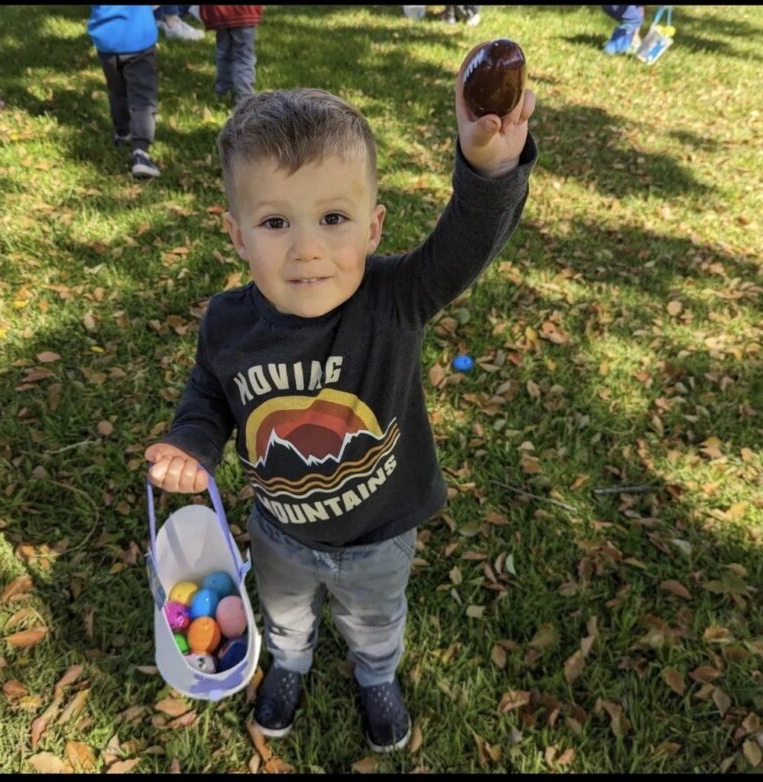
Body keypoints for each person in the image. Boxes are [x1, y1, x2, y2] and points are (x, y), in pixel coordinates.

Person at [144, 43, 537, 752]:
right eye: (275, 222)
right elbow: (209, 390)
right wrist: (191, 441)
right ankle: (289, 664)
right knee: (286, 614)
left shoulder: (395, 299)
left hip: (379, 532)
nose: (307, 249)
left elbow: (465, 246)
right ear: (236, 235)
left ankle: (376, 673)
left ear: (373, 227)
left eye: (332, 218)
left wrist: (490, 170)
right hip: (281, 529)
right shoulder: (228, 323)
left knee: (375, 618)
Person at [87, 5, 161, 178]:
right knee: (143, 97)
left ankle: (123, 132)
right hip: (139, 39)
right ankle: (141, 152)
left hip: (106, 39)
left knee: (117, 90)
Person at [199, 5, 263, 106]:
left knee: (223, 54)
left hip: (220, 13)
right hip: (244, 12)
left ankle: (223, 91)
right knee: (244, 58)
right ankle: (245, 97)